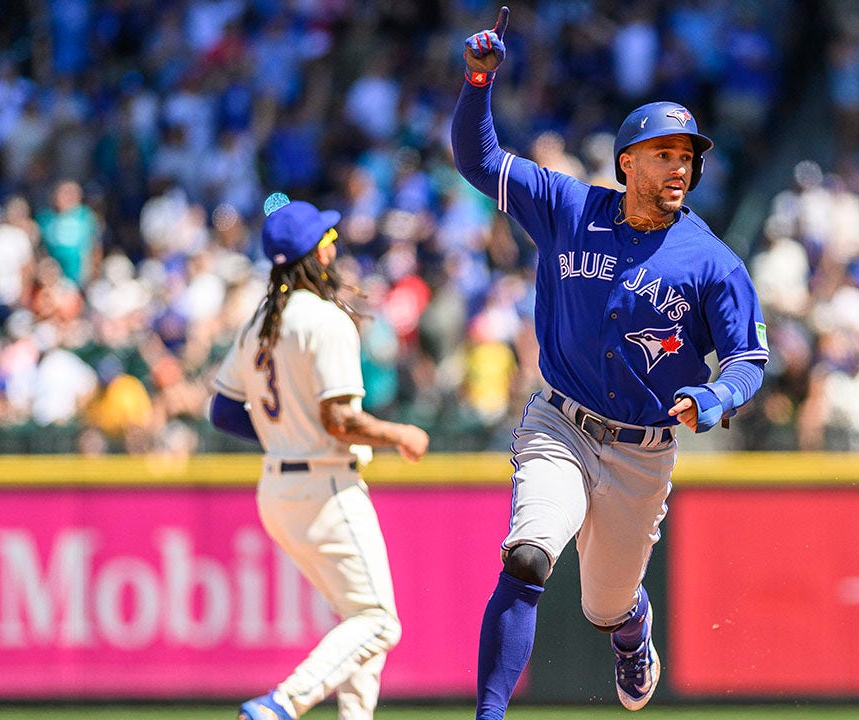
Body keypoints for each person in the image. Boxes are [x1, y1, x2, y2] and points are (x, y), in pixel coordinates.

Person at [452, 7, 767, 717]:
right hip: (558, 424)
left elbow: (747, 356)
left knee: (605, 604)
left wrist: (716, 396)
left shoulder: (712, 260)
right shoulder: (567, 207)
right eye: (665, 154)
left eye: (687, 156)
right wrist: (478, 81)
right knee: (528, 556)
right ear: (628, 161)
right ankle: (489, 714)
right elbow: (478, 160)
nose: (680, 167)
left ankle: (631, 634)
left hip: (640, 451)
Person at [209, 194, 430, 720]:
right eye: (329, 238)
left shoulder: (259, 320)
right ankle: (281, 704)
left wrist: (285, 434)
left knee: (361, 620)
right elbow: (340, 421)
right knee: (380, 621)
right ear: (321, 254)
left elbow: (223, 409)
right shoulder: (325, 319)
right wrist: (399, 433)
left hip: (280, 489)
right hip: (325, 486)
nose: (335, 244)